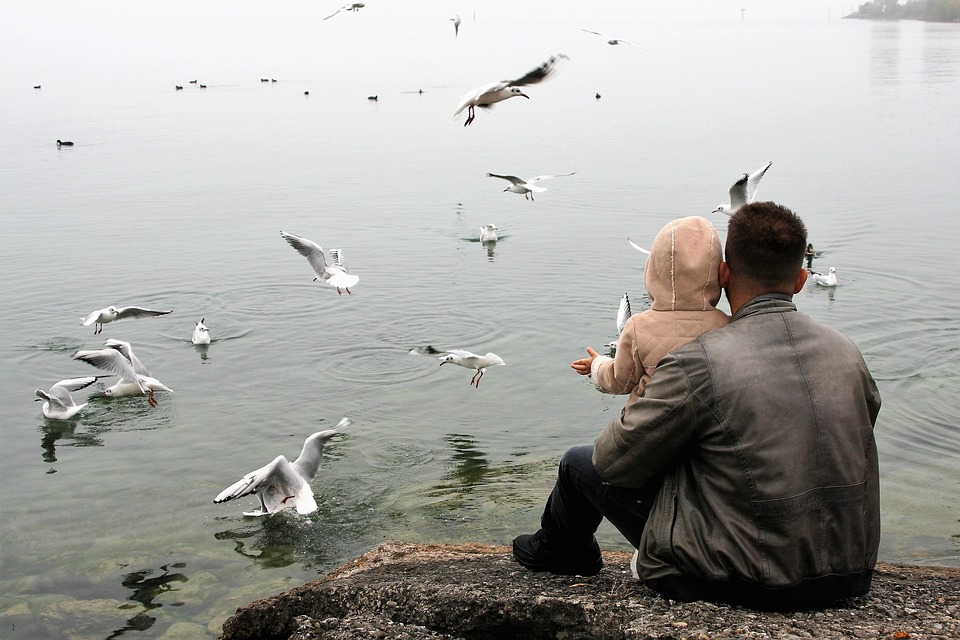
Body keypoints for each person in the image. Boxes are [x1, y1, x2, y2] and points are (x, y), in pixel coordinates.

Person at [513, 202, 881, 612]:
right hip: (849, 573)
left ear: (724, 275)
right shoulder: (847, 353)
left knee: (579, 463)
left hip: (738, 578)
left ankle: (560, 551)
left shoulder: (703, 360)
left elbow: (614, 462)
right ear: (800, 280)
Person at [571, 216, 730, 407]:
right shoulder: (730, 326)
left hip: (647, 426)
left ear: (651, 270)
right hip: (709, 427)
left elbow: (619, 381)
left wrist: (596, 366)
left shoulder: (638, 327)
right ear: (719, 274)